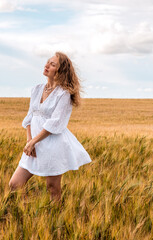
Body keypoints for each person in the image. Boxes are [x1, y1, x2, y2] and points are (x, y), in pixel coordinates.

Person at [8, 51, 92, 203]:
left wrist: (34, 141)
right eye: (47, 62)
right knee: (15, 184)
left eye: (52, 64)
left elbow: (56, 122)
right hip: (33, 144)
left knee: (52, 187)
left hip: (53, 144)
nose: (47, 65)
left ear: (60, 71)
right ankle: (28, 213)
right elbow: (30, 118)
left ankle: (55, 221)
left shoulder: (63, 94)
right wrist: (30, 142)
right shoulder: (36, 89)